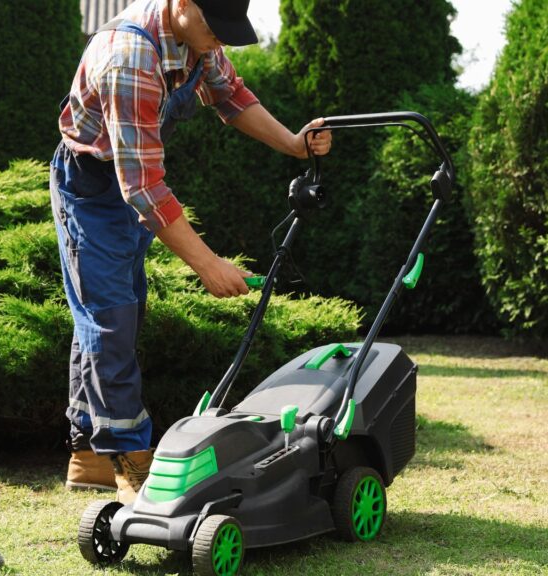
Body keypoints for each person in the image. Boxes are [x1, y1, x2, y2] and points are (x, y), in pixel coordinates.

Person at [52, 0, 332, 504]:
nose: (220, 41)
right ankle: (128, 458)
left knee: (113, 312)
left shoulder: (196, 42)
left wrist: (293, 144)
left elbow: (232, 96)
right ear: (182, 4)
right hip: (92, 190)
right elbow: (142, 188)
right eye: (215, 27)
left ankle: (87, 456)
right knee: (108, 319)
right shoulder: (129, 55)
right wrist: (208, 264)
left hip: (129, 184)